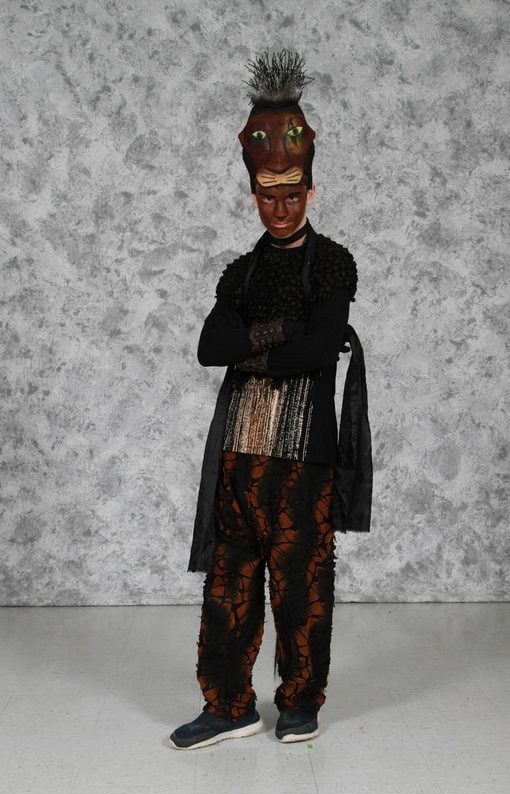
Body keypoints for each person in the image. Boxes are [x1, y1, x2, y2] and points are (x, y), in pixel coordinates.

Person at [170, 49, 372, 751]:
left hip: (302, 461)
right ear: (253, 193)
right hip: (239, 455)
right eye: (267, 196)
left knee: (301, 585)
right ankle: (228, 704)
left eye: (291, 195)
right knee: (228, 588)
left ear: (310, 190)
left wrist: (255, 343)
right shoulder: (241, 272)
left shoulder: (333, 264)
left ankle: (299, 700)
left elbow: (320, 354)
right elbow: (210, 346)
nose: (280, 208)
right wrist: (287, 329)